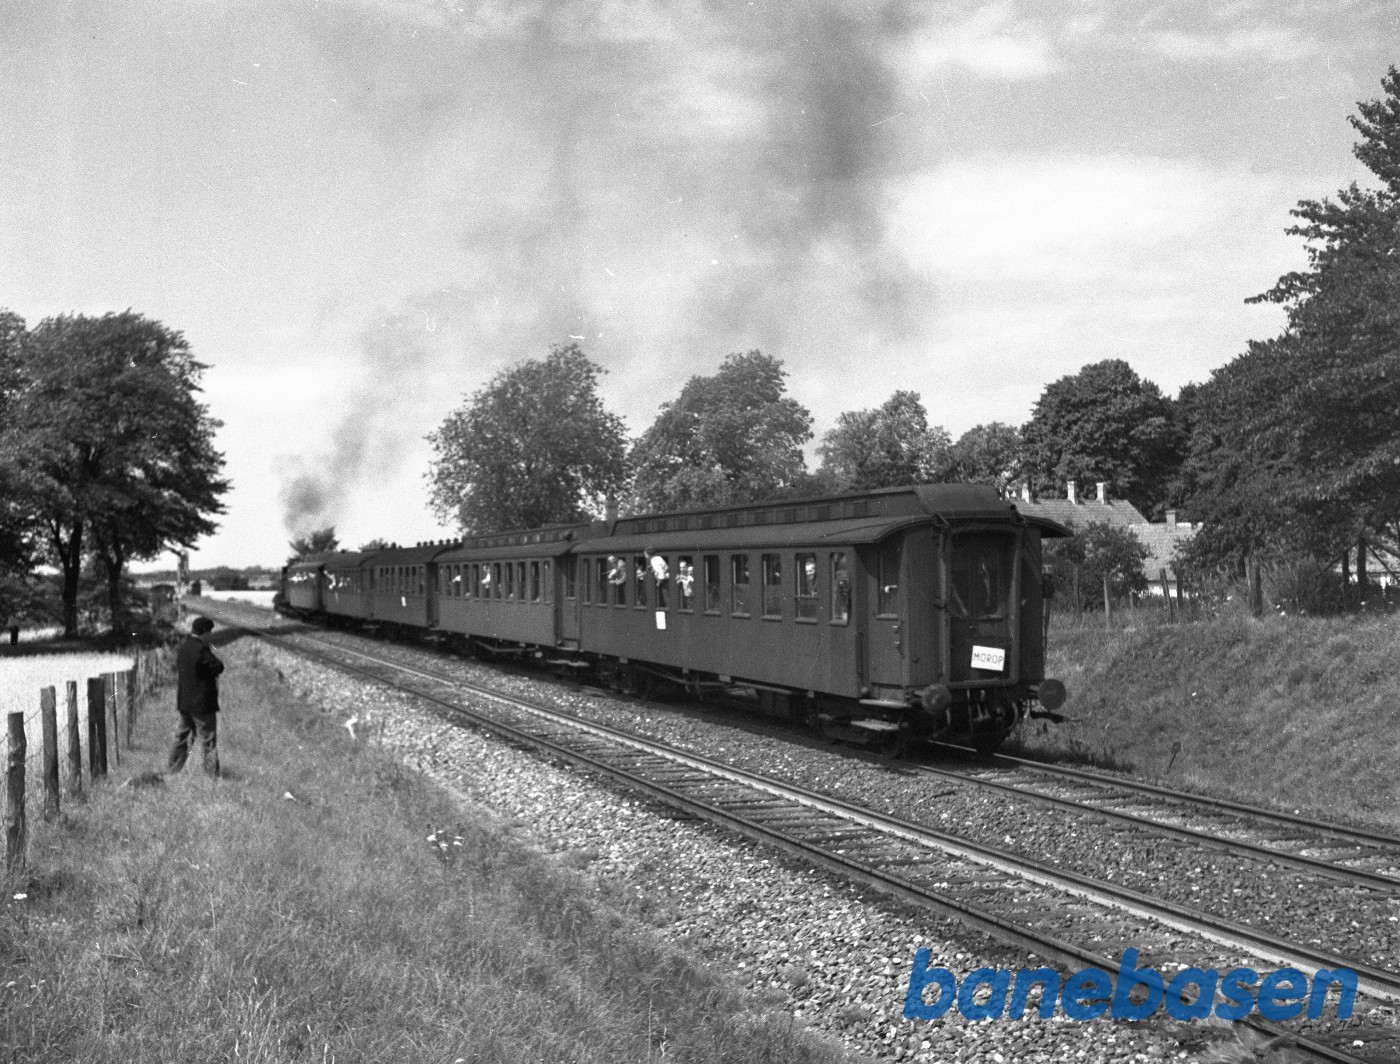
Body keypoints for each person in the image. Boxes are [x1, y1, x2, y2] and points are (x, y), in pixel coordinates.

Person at [169, 616, 224, 777]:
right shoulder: (201, 649)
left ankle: (173, 770)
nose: (211, 635)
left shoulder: (184, 647)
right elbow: (218, 666)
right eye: (210, 632)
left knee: (182, 738)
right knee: (208, 740)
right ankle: (212, 775)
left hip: (185, 702)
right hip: (202, 704)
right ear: (204, 632)